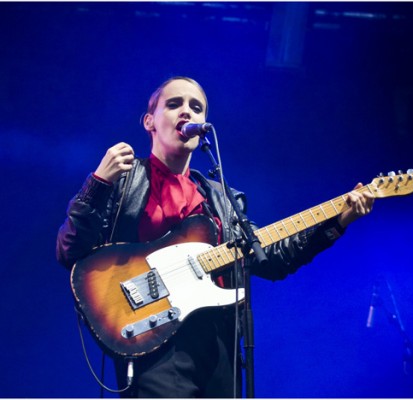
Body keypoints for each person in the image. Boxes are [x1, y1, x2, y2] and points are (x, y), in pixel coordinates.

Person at [56, 76, 374, 398]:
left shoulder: (220, 199)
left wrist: (339, 220)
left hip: (218, 343)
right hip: (155, 339)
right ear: (149, 121)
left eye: (197, 107)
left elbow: (273, 260)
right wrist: (98, 184)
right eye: (174, 104)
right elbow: (71, 249)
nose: (187, 112)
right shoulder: (125, 181)